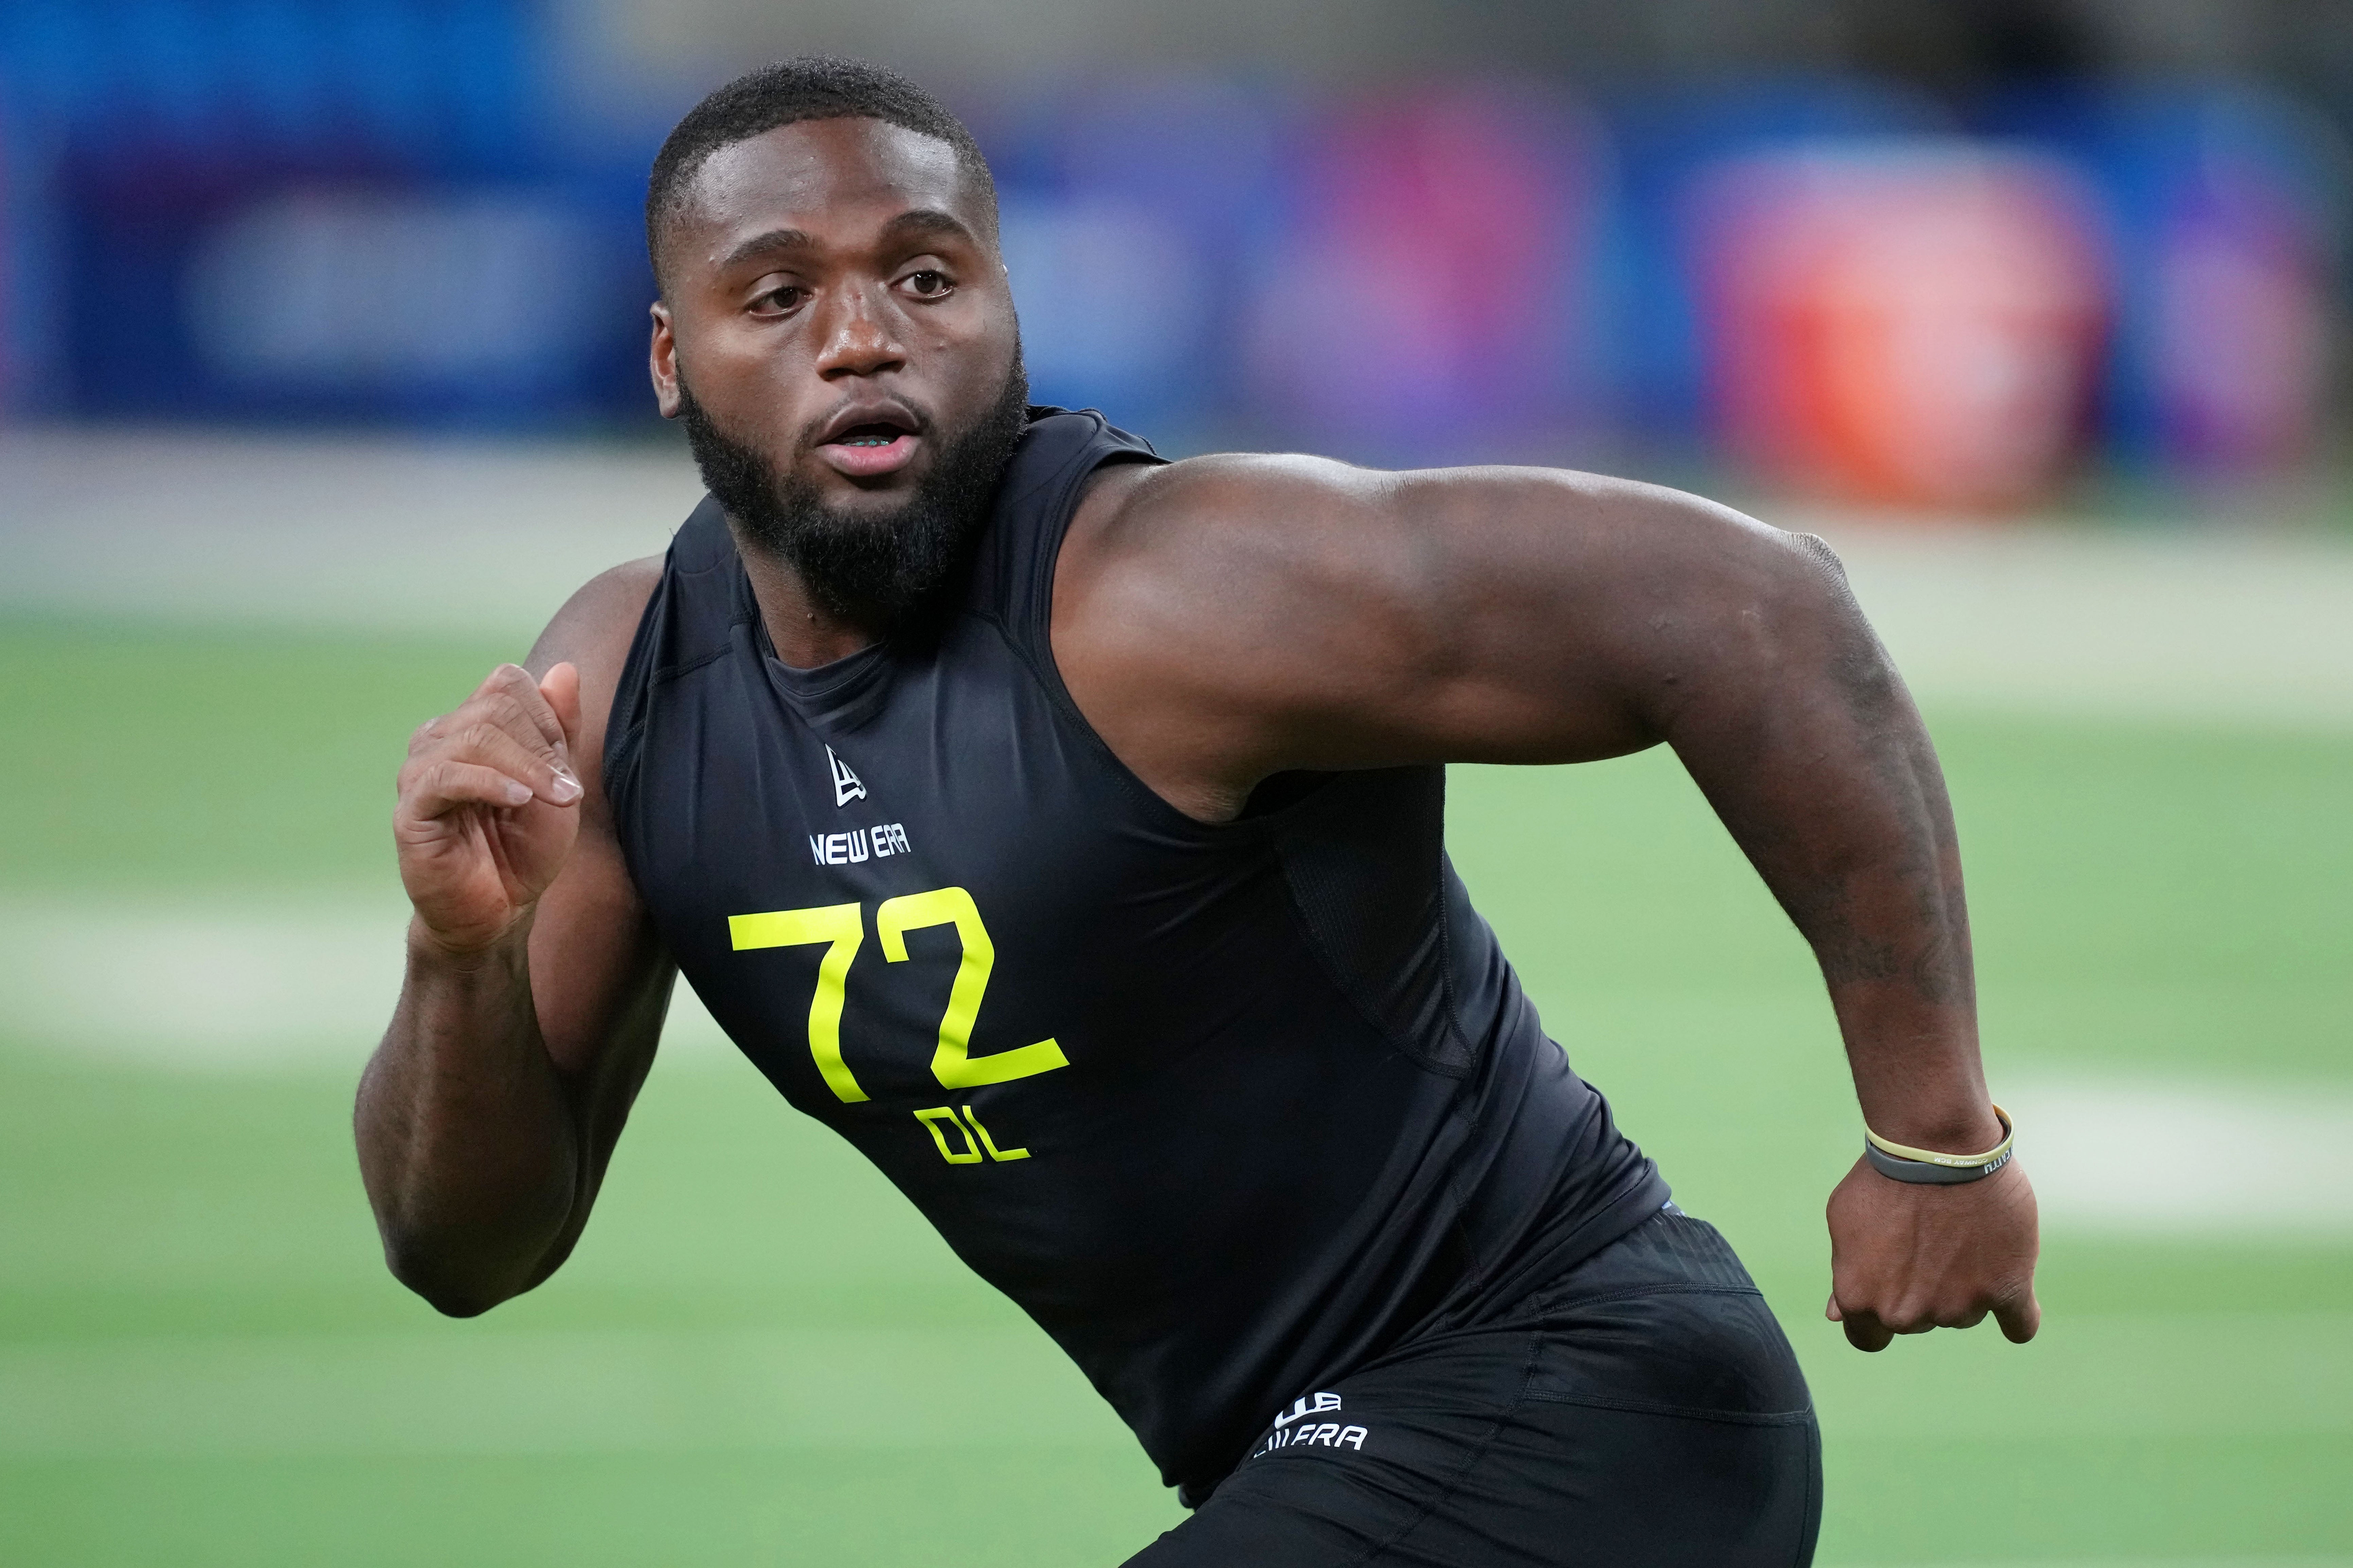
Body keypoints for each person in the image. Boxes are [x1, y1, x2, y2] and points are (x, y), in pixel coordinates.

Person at [356, 57, 2040, 1566]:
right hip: (1305, 1458)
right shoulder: (628, 686)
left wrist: (1935, 1129)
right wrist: (461, 958)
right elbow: (467, 1246)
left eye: (925, 278)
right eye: (775, 295)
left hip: (1584, 1393)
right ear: (671, 358)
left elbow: (1758, 611)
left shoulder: (1165, 591)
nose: (861, 337)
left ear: (1009, 310)